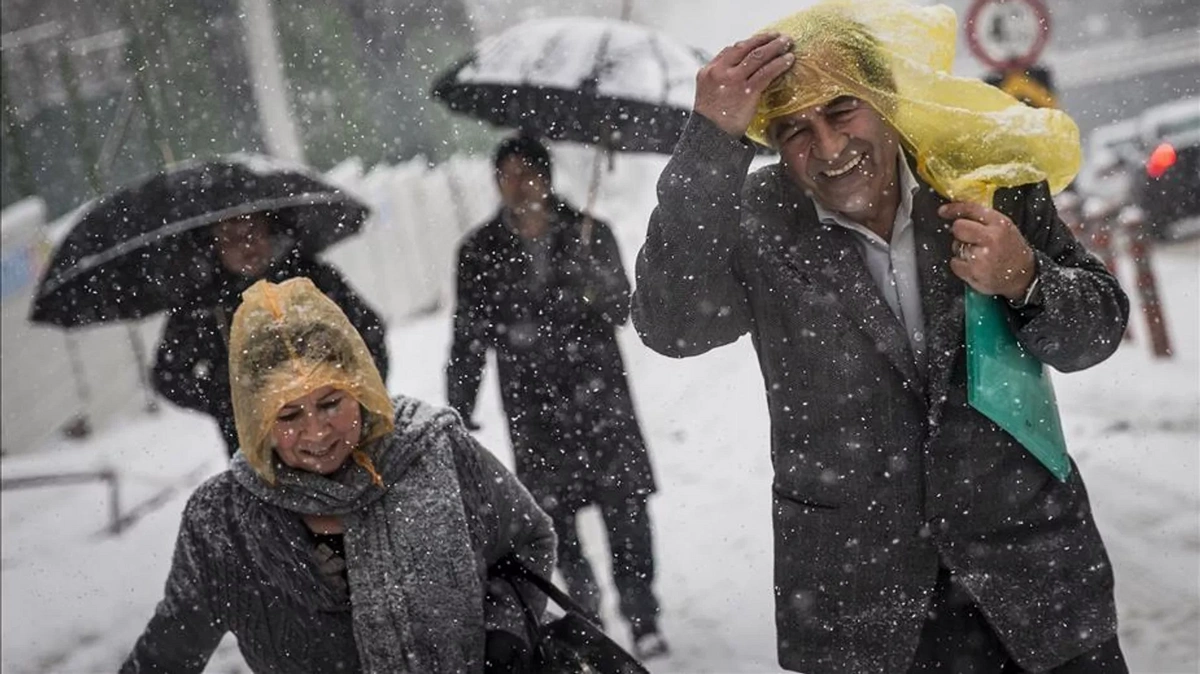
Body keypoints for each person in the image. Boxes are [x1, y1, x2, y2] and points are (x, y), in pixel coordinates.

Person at [631, 2, 1131, 672]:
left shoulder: (983, 181)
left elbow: (1097, 332)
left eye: (842, 111)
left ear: (884, 100)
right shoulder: (754, 219)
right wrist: (709, 141)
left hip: (1035, 588)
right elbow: (672, 326)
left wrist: (1026, 277)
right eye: (796, 130)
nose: (831, 148)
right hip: (858, 611)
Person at [123, 277, 555, 673]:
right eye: (288, 414)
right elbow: (168, 652)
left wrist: (503, 634)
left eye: (331, 403)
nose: (316, 430)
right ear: (257, 419)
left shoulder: (433, 451)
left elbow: (527, 542)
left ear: (361, 386)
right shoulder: (223, 521)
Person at [446, 135, 667, 657]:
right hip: (533, 404)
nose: (518, 185)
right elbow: (468, 336)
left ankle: (642, 616)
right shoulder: (479, 252)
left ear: (547, 177)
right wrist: (460, 404)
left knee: (626, 510)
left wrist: (591, 279)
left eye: (527, 173)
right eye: (506, 174)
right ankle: (585, 613)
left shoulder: (591, 234)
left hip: (600, 399)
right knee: (551, 520)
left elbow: (621, 310)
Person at [152, 211, 389, 456]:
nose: (247, 244)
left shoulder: (311, 277)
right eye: (231, 237)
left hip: (342, 436)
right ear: (214, 244)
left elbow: (369, 333)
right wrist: (231, 399)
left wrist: (358, 396)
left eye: (254, 230)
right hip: (259, 453)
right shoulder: (203, 305)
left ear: (270, 229)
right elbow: (168, 375)